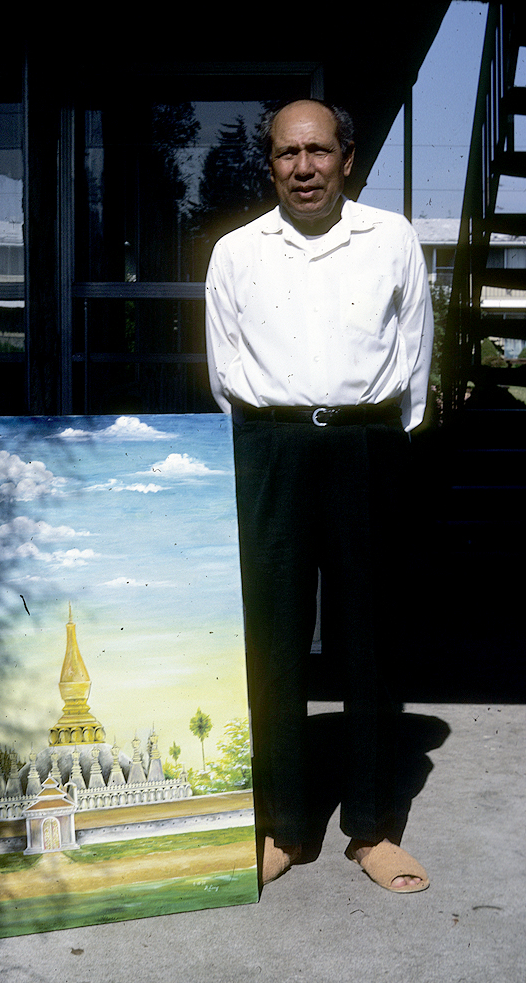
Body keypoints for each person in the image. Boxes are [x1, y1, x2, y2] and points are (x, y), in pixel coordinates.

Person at [205, 99, 434, 892]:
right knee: (271, 641)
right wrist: (274, 436)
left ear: (347, 158)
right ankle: (285, 826)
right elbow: (226, 370)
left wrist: (384, 438)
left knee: (369, 638)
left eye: (319, 152)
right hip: (271, 447)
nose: (303, 169)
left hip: (366, 445)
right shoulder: (236, 253)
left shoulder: (392, 240)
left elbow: (416, 355)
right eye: (286, 154)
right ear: (270, 163)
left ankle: (372, 828)